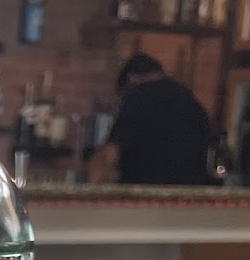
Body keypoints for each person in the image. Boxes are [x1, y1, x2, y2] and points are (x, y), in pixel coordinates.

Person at [86, 52, 213, 187]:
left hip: (145, 194)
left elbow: (109, 155)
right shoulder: (193, 104)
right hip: (191, 196)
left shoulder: (139, 97)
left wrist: (89, 189)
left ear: (131, 79)